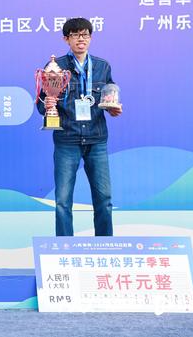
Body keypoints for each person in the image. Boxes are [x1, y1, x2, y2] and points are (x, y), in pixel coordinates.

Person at [37, 17, 122, 236]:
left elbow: (108, 97)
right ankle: (64, 248)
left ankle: (105, 247)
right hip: (67, 140)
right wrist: (48, 103)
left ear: (91, 38)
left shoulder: (102, 67)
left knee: (104, 199)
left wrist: (112, 108)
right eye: (75, 35)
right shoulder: (55, 67)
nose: (80, 39)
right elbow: (41, 105)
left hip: (96, 139)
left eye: (85, 34)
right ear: (66, 39)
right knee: (62, 201)